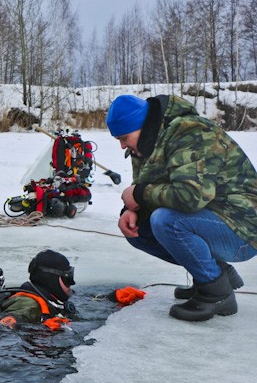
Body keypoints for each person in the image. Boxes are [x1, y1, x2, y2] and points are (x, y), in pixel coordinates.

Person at [107, 94, 257, 322]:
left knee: (166, 221)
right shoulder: (146, 143)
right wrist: (132, 210)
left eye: (124, 137)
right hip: (213, 218)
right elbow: (150, 185)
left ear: (142, 126)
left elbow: (191, 196)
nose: (122, 145)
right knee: (139, 231)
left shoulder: (190, 132)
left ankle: (216, 293)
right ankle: (214, 274)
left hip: (243, 229)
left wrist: (138, 195)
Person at [0, 249, 76, 331]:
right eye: (68, 278)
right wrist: (42, 330)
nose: (72, 283)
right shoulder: (29, 305)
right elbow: (2, 327)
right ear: (51, 280)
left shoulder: (49, 303)